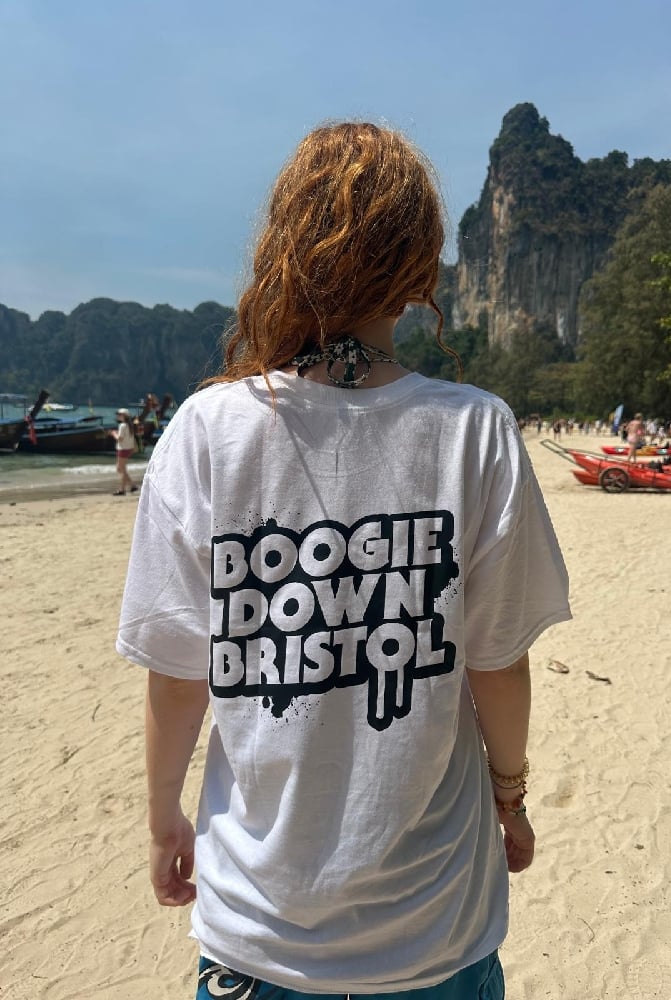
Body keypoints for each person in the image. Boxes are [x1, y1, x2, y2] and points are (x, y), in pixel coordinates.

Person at [116, 122, 571, 1000]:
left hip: (259, 927)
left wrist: (164, 815)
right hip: (435, 927)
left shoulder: (206, 431)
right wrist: (509, 798)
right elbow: (498, 663)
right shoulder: (474, 430)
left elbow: (177, 673)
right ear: (421, 270)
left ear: (282, 248)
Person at [110, 407, 138, 496]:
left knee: (121, 469)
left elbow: (120, 439)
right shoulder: (130, 425)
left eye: (119, 415)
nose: (118, 416)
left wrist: (113, 434)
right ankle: (132, 485)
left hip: (123, 449)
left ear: (124, 416)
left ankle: (122, 490)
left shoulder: (122, 425)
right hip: (128, 449)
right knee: (120, 469)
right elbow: (131, 438)